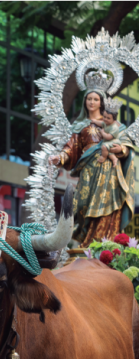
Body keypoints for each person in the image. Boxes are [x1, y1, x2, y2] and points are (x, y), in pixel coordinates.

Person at [49, 71, 134, 248]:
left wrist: (121, 149)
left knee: (107, 205)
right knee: (83, 205)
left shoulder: (112, 124)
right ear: (84, 101)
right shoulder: (80, 126)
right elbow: (71, 147)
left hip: (109, 170)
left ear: (101, 102)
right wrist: (60, 157)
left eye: (96, 99)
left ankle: (104, 244)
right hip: (88, 171)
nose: (92, 102)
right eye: (89, 99)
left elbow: (125, 144)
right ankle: (86, 241)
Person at [89, 97, 125, 167]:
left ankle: (103, 157)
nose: (105, 119)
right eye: (104, 117)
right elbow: (101, 123)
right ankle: (114, 159)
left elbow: (109, 137)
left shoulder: (114, 127)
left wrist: (102, 133)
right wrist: (94, 121)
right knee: (108, 150)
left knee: (104, 147)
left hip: (114, 141)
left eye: (108, 118)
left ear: (114, 119)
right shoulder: (106, 123)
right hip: (107, 141)